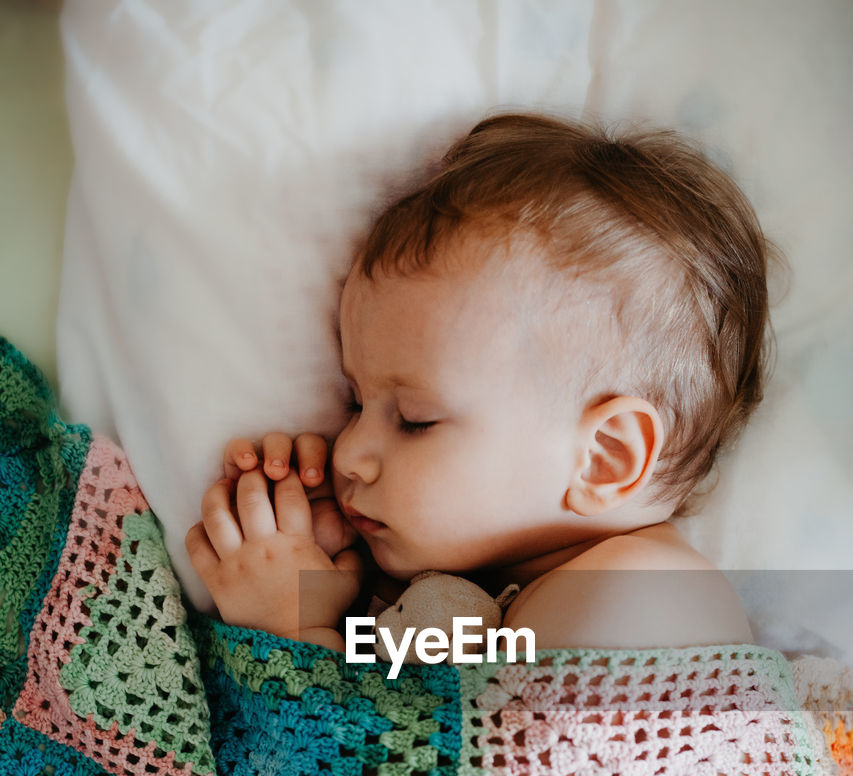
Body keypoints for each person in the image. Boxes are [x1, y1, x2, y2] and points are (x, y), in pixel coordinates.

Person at [187, 110, 776, 668]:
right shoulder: (487, 593)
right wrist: (326, 586)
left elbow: (421, 767)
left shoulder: (641, 593)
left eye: (415, 419)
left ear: (604, 459)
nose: (348, 454)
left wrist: (292, 632)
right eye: (356, 402)